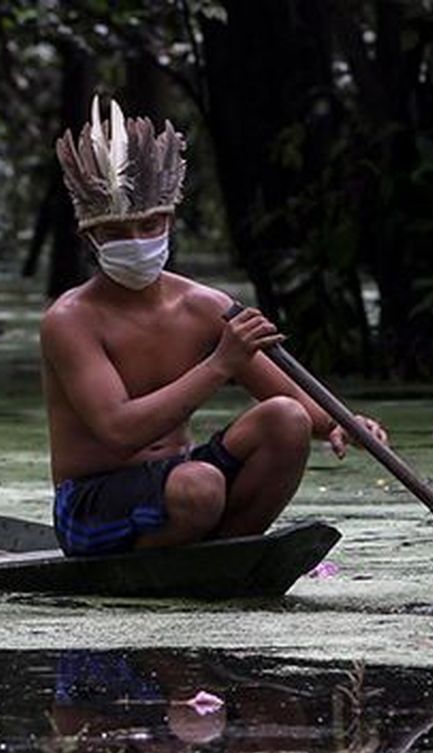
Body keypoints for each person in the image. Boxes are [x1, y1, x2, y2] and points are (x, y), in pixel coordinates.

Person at [42, 97, 390, 557]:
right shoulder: (70, 320)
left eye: (148, 225)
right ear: (91, 237)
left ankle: (225, 551)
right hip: (94, 503)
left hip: (179, 480)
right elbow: (119, 431)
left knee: (287, 419)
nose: (136, 242)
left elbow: (287, 395)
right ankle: (172, 559)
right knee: (199, 487)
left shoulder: (204, 305)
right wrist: (220, 363)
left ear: (167, 221)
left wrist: (341, 422)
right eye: (117, 233)